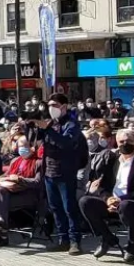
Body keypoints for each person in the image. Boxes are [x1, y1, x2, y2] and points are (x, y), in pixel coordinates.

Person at [80, 131, 134, 263]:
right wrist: (108, 199)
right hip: (112, 201)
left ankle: (133, 243)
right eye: (122, 141)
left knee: (126, 205)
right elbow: (102, 186)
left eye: (129, 141)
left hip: (133, 202)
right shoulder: (112, 161)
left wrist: (121, 199)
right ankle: (107, 238)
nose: (125, 144)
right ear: (117, 142)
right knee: (85, 202)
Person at [39, 92, 87, 255]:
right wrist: (32, 127)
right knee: (55, 208)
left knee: (69, 208)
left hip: (65, 172)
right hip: (49, 172)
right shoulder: (50, 123)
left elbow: (66, 143)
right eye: (49, 106)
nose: (51, 109)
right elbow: (38, 141)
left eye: (55, 105)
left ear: (64, 107)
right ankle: (63, 239)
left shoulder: (72, 125)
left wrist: (49, 131)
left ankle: (75, 241)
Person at [0, 133, 44, 247]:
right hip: (11, 192)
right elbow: (5, 175)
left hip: (29, 195)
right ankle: (1, 224)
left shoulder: (38, 162)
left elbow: (38, 183)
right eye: (19, 146)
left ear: (32, 147)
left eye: (24, 146)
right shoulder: (15, 161)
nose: (21, 149)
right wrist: (1, 180)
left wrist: (20, 179)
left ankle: (1, 233)